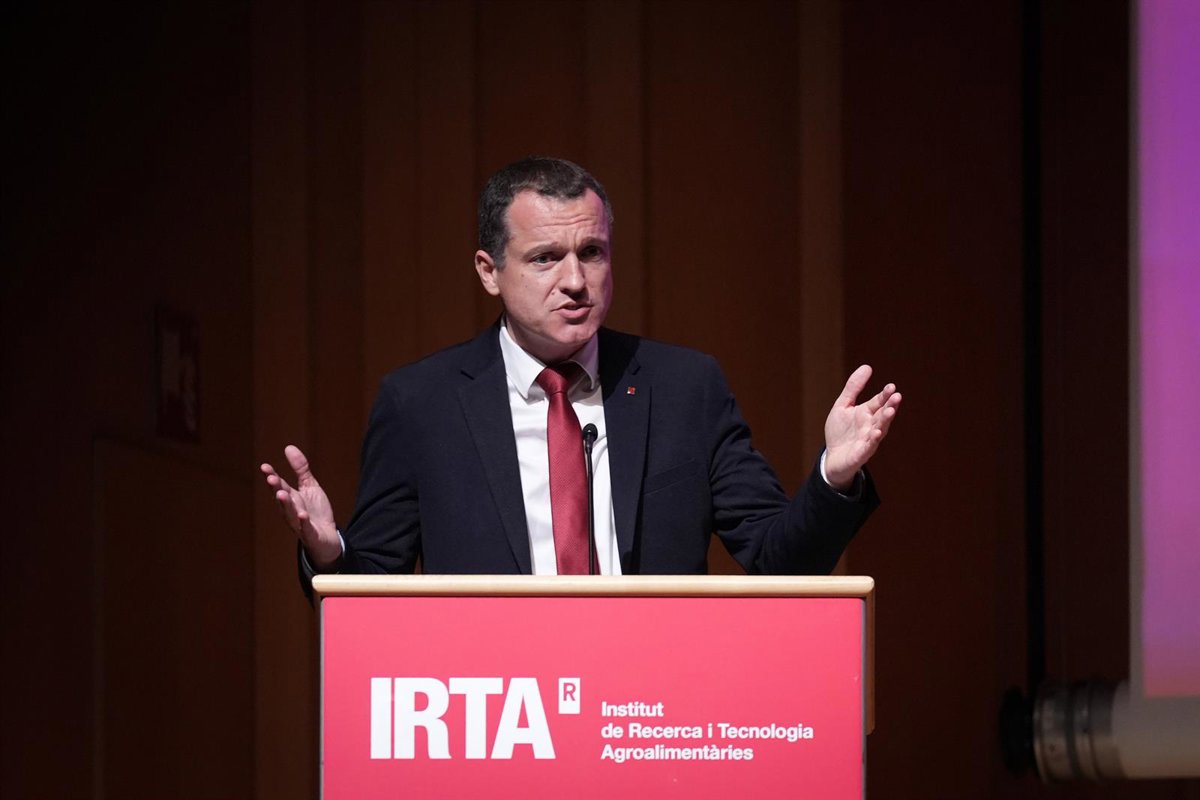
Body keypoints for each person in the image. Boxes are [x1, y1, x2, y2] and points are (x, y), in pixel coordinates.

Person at [261, 157, 901, 586]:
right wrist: (329, 552)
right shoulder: (421, 403)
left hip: (650, 707)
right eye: (545, 258)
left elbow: (778, 564)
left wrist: (834, 476)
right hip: (501, 715)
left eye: (591, 252)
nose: (575, 280)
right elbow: (376, 590)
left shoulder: (685, 389)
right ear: (489, 271)